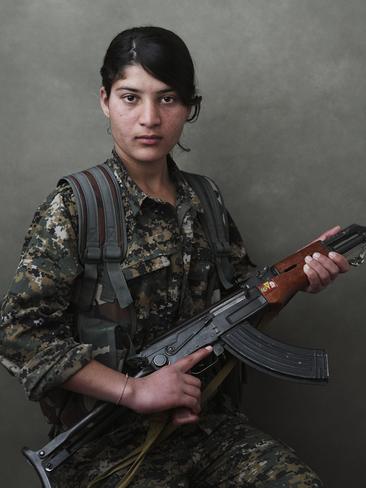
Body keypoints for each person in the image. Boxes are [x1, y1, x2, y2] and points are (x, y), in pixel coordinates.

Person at [0, 26, 349, 487]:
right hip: (108, 446)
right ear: (104, 99)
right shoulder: (77, 206)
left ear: (189, 108)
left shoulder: (205, 199)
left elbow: (239, 298)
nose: (149, 118)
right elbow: (19, 334)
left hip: (207, 428)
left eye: (167, 99)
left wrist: (300, 274)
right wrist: (135, 390)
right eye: (130, 97)